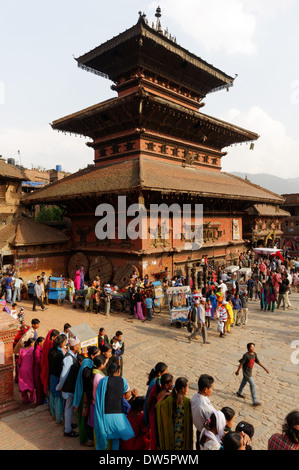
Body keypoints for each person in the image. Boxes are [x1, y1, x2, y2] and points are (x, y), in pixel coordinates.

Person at [94, 361, 134, 450]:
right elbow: (126, 394)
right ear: (118, 371)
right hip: (119, 415)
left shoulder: (103, 381)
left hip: (106, 414)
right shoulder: (123, 380)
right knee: (117, 439)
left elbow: (99, 396)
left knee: (105, 437)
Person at [73, 345, 100, 446]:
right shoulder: (87, 366)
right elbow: (86, 376)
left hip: (86, 394)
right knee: (83, 417)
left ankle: (88, 436)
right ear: (93, 356)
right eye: (98, 354)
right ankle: (83, 439)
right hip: (83, 395)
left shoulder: (88, 362)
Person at [156, 376, 193, 450]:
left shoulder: (169, 400)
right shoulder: (187, 402)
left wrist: (165, 395)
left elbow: (157, 406)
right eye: (187, 387)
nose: (187, 389)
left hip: (172, 434)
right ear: (183, 389)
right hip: (183, 435)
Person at [56, 336, 81, 438]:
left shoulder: (72, 355)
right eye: (78, 345)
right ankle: (67, 430)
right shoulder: (69, 358)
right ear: (74, 346)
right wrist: (59, 386)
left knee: (69, 408)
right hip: (68, 387)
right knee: (69, 408)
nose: (80, 346)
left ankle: (68, 425)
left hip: (70, 386)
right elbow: (64, 375)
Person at [235, 342, 269, 407]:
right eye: (251, 347)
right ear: (248, 348)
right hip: (246, 372)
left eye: (253, 347)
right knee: (252, 385)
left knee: (244, 382)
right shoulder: (246, 355)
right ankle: (255, 401)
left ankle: (239, 392)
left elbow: (258, 362)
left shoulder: (254, 354)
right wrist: (237, 371)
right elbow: (241, 364)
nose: (253, 348)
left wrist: (265, 368)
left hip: (249, 372)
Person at [147, 373, 174, 450]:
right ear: (166, 385)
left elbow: (149, 403)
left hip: (155, 418)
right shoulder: (165, 396)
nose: (172, 384)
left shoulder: (157, 390)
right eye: (171, 382)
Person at [190, 374, 216, 450]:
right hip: (205, 434)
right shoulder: (205, 406)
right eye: (211, 388)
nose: (212, 390)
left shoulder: (195, 396)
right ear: (205, 389)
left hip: (199, 431)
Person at [48, 334, 67, 423]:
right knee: (59, 397)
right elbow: (61, 368)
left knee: (52, 394)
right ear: (62, 343)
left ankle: (53, 413)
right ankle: (59, 418)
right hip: (57, 377)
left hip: (51, 375)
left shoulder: (51, 350)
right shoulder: (60, 353)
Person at [144, 362, 168, 428]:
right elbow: (149, 402)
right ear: (159, 373)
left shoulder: (156, 380)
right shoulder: (155, 383)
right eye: (165, 373)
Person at [40, 329, 60, 398]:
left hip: (46, 365)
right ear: (53, 337)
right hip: (51, 367)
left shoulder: (46, 343)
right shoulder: (52, 345)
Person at [18, 338, 36, 403]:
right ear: (31, 343)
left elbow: (19, 361)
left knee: (22, 383)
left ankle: (25, 399)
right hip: (30, 369)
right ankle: (32, 399)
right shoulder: (33, 349)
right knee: (31, 383)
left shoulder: (21, 350)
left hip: (22, 369)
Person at [33, 336, 45, 406]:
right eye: (43, 342)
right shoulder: (37, 351)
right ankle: (39, 402)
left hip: (39, 370)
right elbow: (38, 361)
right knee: (39, 387)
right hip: (38, 371)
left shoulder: (39, 349)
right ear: (40, 343)